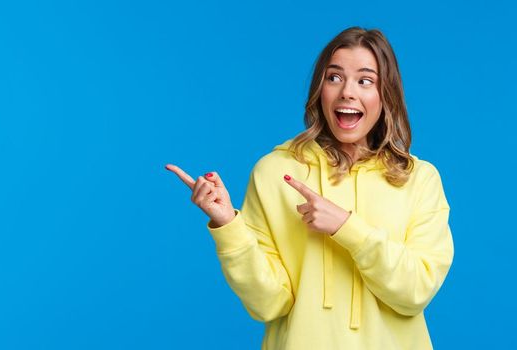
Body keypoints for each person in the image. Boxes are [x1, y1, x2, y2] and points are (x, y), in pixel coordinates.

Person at [165, 26, 454, 350]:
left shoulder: (419, 179)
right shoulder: (275, 172)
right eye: (334, 77)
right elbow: (268, 304)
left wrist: (347, 227)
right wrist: (228, 225)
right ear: (320, 89)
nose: (347, 91)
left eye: (365, 80)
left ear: (386, 94)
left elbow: (415, 291)